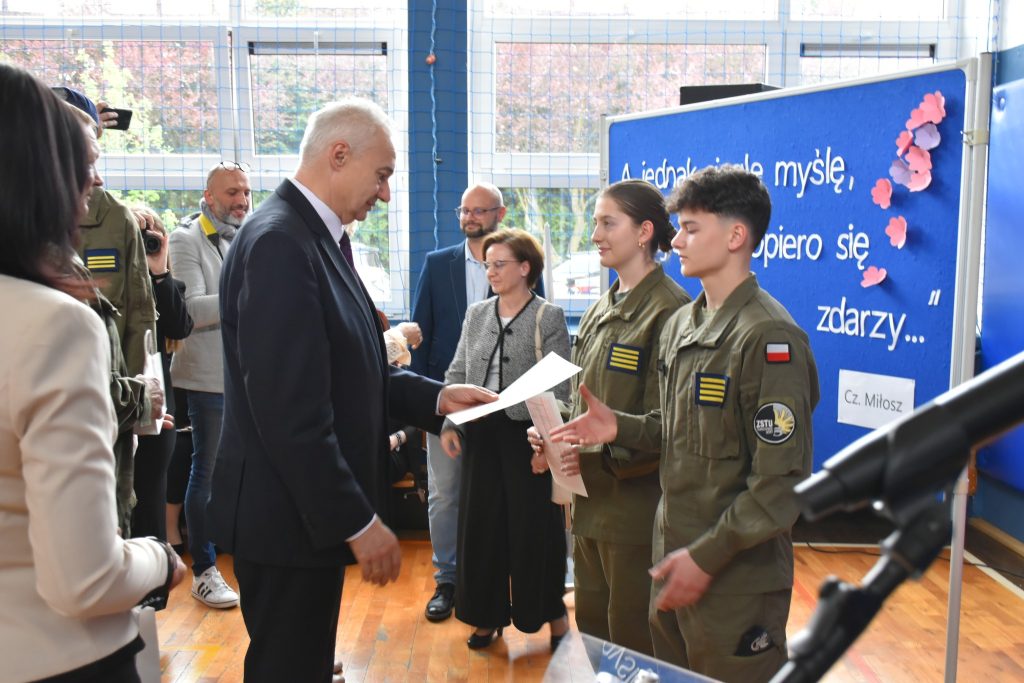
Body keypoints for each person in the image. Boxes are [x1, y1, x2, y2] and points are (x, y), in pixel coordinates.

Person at [207, 97, 496, 683]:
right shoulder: (281, 242)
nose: (385, 194)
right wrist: (358, 522)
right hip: (287, 520)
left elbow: (350, 368)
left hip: (300, 518)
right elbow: (290, 413)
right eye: (382, 175)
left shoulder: (313, 236)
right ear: (339, 155)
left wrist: (436, 398)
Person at [552, 165, 820, 682]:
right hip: (672, 560)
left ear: (736, 236)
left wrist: (706, 556)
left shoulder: (769, 337)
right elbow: (672, 435)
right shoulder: (682, 325)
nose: (675, 241)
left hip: (735, 578)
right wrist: (617, 427)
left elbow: (779, 483)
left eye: (692, 229)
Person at [0, 62, 185, 683]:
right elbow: (85, 579)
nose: (96, 181)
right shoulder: (53, 323)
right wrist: (159, 557)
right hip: (57, 654)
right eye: (83, 164)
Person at [528, 179, 689, 655]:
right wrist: (553, 432)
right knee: (596, 638)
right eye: (596, 223)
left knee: (635, 644)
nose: (595, 234)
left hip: (636, 515)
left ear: (644, 232)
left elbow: (673, 426)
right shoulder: (602, 307)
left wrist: (603, 438)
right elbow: (587, 404)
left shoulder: (671, 313)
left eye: (607, 223)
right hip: (589, 506)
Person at [440, 228, 571, 651]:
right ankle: (485, 616)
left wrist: (546, 442)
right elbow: (457, 372)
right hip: (480, 432)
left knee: (535, 529)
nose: (491, 272)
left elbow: (562, 388)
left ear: (525, 268)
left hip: (528, 435)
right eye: (487, 265)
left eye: (499, 264)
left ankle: (549, 614)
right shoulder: (477, 313)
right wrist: (450, 423)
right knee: (480, 527)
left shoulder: (548, 316)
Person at [410, 182, 516, 622]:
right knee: (445, 494)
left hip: (501, 402)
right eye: (464, 210)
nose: (469, 217)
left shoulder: (519, 262)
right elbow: (419, 335)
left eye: (479, 210)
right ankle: (447, 581)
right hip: (446, 400)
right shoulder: (438, 265)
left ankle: (492, 583)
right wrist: (423, 408)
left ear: (500, 214)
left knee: (496, 493)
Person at [169, 161, 251, 608]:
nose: (241, 200)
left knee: (243, 473)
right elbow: (190, 312)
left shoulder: (246, 234)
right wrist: (252, 291)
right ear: (209, 196)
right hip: (206, 380)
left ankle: (247, 557)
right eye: (231, 192)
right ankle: (203, 570)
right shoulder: (185, 239)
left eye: (245, 192)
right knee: (207, 473)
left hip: (248, 376)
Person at [130, 208, 194, 541]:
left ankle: (153, 567)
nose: (145, 244)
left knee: (150, 502)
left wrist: (159, 272)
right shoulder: (104, 283)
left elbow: (179, 326)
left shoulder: (165, 284)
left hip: (157, 413)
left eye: (151, 237)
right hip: (119, 405)